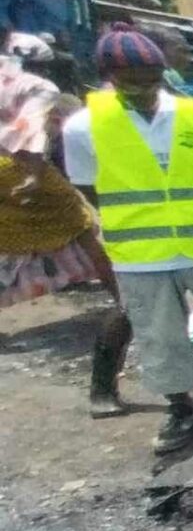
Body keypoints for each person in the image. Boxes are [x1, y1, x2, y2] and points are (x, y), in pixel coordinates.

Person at [62, 23, 193, 454]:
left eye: (151, 80)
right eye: (131, 82)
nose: (144, 90)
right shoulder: (84, 126)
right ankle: (183, 411)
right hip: (141, 252)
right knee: (160, 338)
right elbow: (87, 186)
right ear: (109, 77)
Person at [0, 82, 122, 415]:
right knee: (82, 227)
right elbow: (34, 133)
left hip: (12, 170)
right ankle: (123, 300)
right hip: (24, 170)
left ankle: (123, 300)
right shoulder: (27, 84)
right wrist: (37, 174)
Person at [139, 25, 193, 94]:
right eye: (182, 50)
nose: (192, 59)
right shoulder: (167, 77)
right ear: (158, 50)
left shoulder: (172, 76)